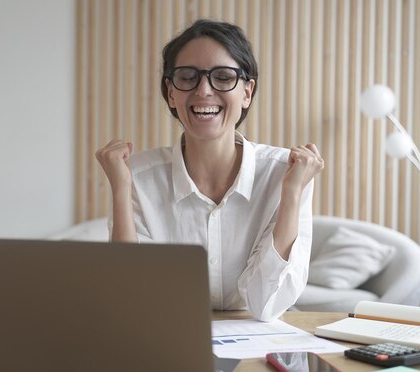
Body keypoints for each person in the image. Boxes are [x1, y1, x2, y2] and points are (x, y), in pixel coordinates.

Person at [95, 19, 324, 322]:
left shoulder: (287, 174)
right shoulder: (135, 176)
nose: (204, 90)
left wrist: (292, 194)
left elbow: (265, 305)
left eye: (223, 77)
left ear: (247, 92)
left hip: (258, 340)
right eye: (187, 77)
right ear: (171, 92)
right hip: (169, 340)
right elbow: (131, 298)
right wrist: (121, 190)